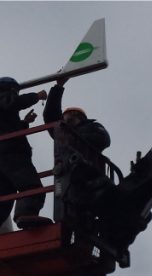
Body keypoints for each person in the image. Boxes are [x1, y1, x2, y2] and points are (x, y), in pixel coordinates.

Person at [0, 76, 56, 239]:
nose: (15, 94)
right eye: (15, 91)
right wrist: (36, 96)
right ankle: (26, 214)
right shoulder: (2, 98)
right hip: (11, 153)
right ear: (9, 89)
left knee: (1, 202)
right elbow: (13, 103)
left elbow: (6, 129)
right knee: (32, 187)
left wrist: (24, 122)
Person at [42, 79, 111, 229]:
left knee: (85, 213)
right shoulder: (62, 132)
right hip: (67, 177)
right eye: (67, 115)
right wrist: (58, 87)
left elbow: (104, 139)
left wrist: (76, 139)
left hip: (89, 175)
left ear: (81, 118)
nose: (69, 117)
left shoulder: (92, 127)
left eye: (74, 115)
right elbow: (50, 116)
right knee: (67, 210)